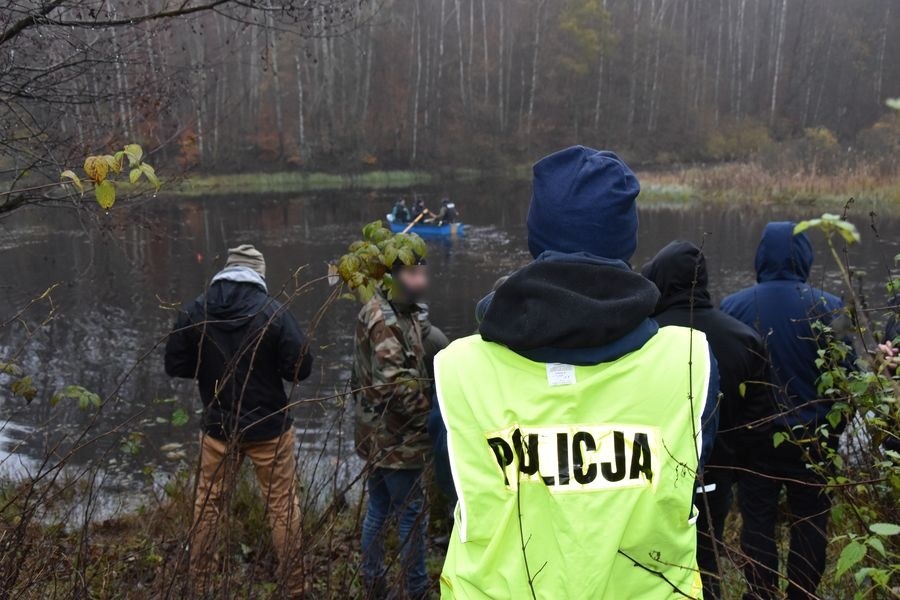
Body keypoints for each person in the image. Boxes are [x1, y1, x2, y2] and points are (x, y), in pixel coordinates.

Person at [432, 146, 719, 599]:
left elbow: (458, 489)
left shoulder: (459, 370)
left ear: (535, 237)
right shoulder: (689, 362)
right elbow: (687, 477)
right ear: (625, 241)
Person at [164, 244, 313, 597]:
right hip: (270, 429)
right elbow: (301, 368)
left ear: (225, 272)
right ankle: (294, 588)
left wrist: (209, 369)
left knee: (208, 505)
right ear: (259, 275)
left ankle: (200, 583)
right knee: (281, 506)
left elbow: (175, 364)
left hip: (218, 429)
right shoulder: (273, 313)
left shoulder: (195, 311)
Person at [721, 222, 846, 600]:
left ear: (761, 256)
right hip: (813, 440)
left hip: (756, 440)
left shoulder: (734, 306)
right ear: (805, 256)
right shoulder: (830, 306)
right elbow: (846, 378)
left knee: (757, 519)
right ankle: (802, 594)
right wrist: (833, 433)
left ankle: (759, 593)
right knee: (810, 522)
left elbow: (725, 375)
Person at [642, 240, 772, 600]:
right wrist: (729, 458)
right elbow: (761, 416)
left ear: (660, 280)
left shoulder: (643, 337)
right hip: (717, 478)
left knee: (656, 568)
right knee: (706, 566)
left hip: (652, 481)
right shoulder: (743, 338)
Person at [352, 255, 432, 599]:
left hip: (377, 434)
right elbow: (394, 385)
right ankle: (416, 590)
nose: (422, 281)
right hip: (396, 439)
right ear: (393, 278)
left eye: (423, 273)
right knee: (412, 515)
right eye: (414, 274)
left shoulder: (399, 310)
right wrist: (430, 420)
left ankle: (372, 581)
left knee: (380, 507)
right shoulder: (384, 318)